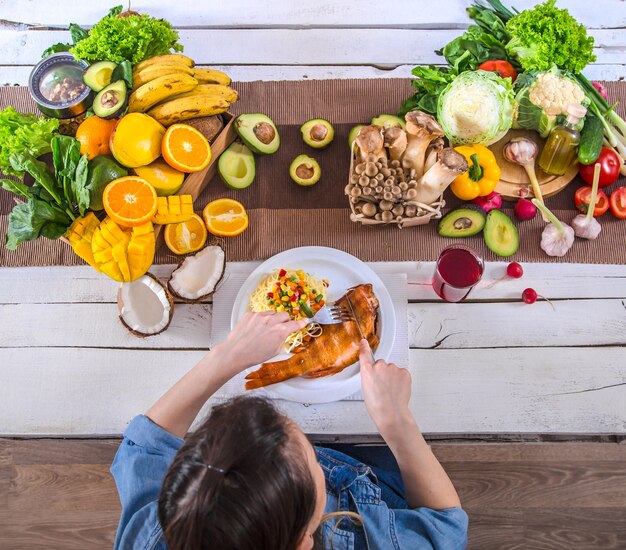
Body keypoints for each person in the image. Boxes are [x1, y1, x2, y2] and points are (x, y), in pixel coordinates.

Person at [111, 311, 468, 549]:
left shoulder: (156, 532)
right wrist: (398, 423)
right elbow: (446, 530)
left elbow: (142, 449)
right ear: (303, 542)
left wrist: (225, 357)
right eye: (312, 460)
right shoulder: (363, 539)